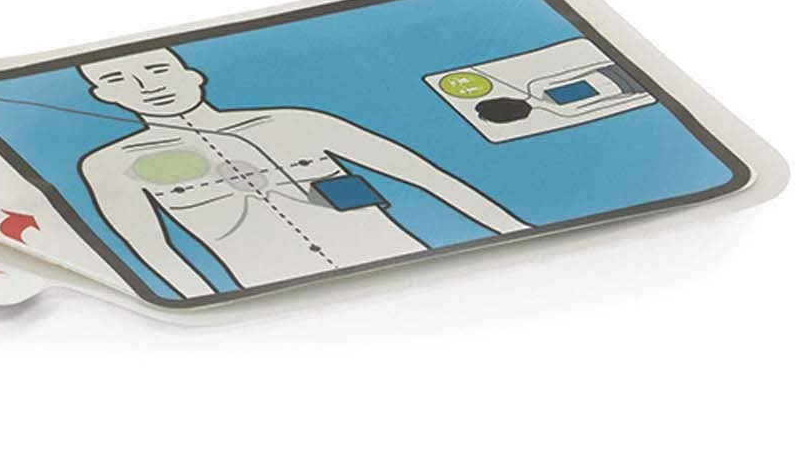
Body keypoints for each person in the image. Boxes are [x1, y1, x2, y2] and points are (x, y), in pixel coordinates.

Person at [74, 46, 527, 298]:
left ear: (192, 75)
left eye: (157, 69)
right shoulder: (111, 164)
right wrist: (201, 310)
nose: (146, 85)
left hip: (423, 277)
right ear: (102, 96)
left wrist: (519, 235)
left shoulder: (295, 122)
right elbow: (153, 251)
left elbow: (428, 177)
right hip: (283, 304)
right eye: (116, 80)